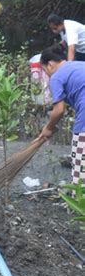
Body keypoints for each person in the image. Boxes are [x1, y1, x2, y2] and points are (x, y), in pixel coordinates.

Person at [39, 44, 85, 185]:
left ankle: (78, 201)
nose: (46, 74)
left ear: (50, 64)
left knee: (80, 167)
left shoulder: (57, 77)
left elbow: (59, 110)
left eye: (45, 70)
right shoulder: (79, 65)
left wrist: (49, 128)